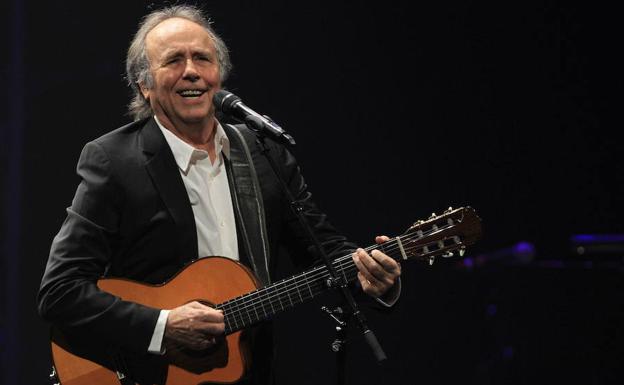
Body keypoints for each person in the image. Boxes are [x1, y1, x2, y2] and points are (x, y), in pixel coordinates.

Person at [37, 4, 401, 385]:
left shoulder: (264, 154)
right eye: (174, 60)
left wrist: (376, 279)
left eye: (202, 58)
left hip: (248, 372)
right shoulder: (114, 161)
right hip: (143, 373)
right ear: (144, 85)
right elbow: (60, 291)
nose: (191, 70)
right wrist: (163, 325)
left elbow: (325, 254)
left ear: (219, 75)